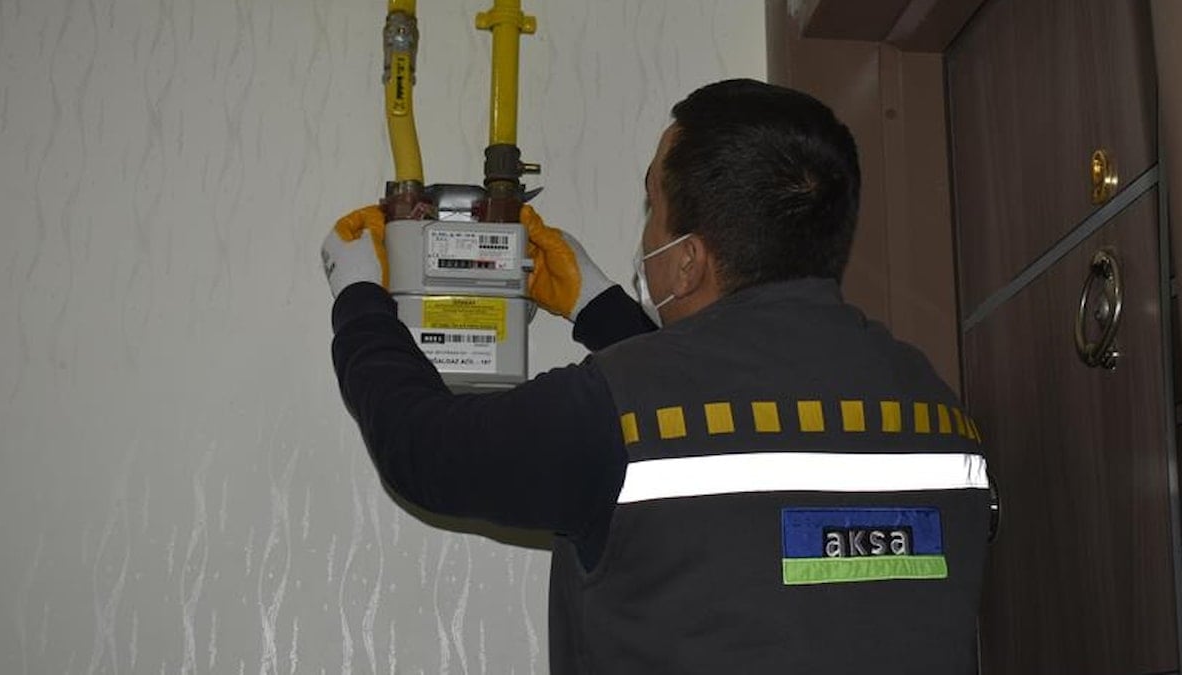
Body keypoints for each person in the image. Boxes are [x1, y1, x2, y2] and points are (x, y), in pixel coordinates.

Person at [322, 79, 991, 674]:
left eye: (652, 206)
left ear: (688, 261)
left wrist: (358, 297)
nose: (646, 236)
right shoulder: (940, 411)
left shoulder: (612, 412)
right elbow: (738, 431)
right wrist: (598, 306)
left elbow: (424, 446)